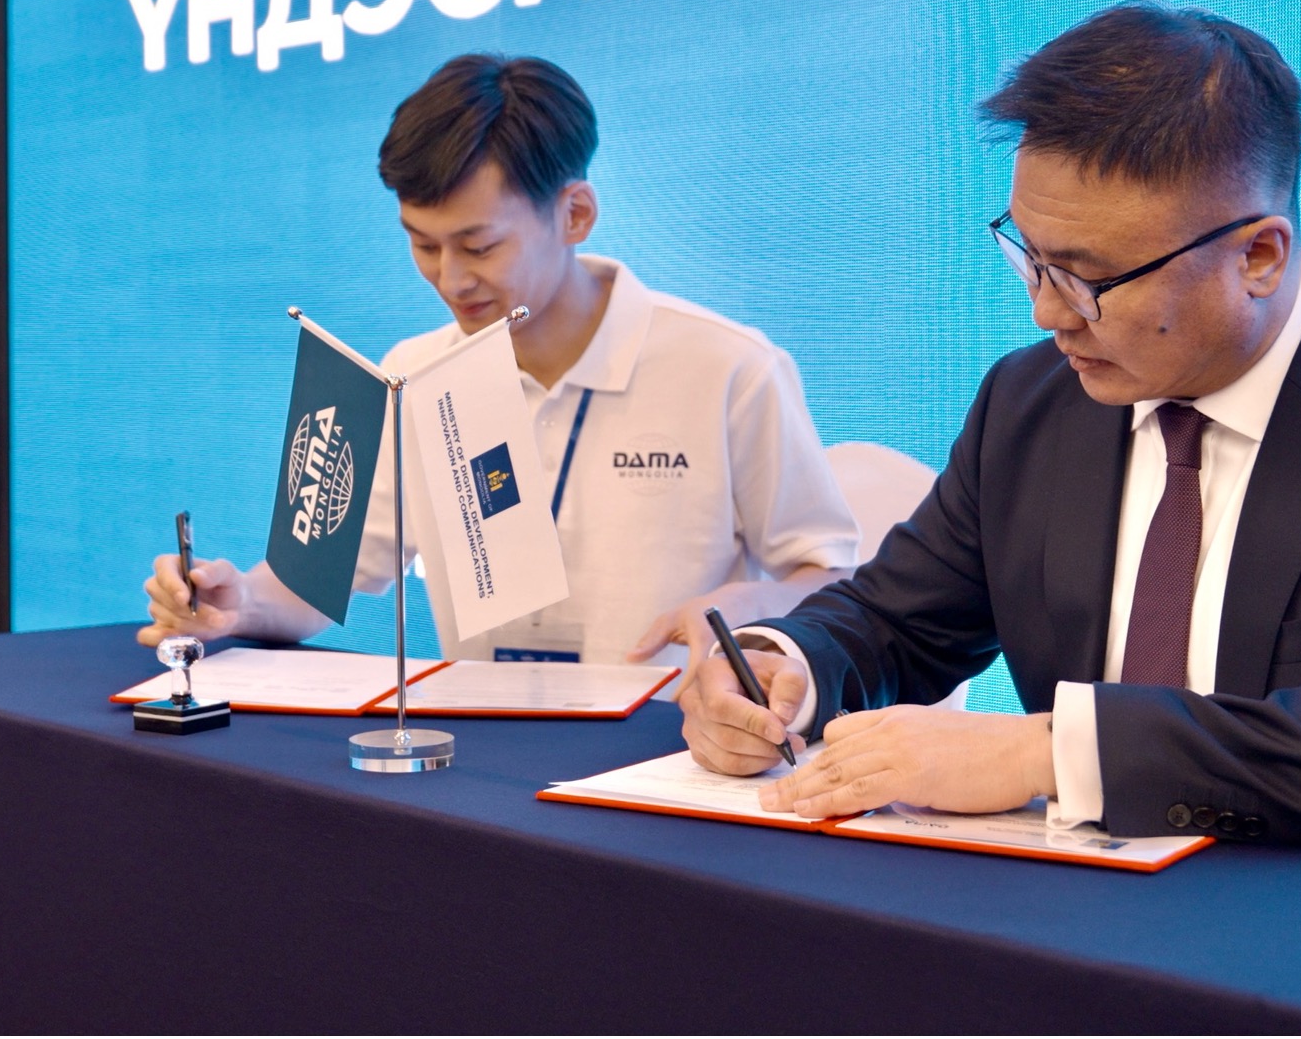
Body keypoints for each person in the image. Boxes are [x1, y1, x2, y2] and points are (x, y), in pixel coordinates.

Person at [679, 4, 1301, 849]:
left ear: (1258, 256)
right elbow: (896, 621)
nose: (1046, 313)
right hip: (1099, 908)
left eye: (1088, 278)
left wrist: (1050, 754)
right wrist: (782, 667)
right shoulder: (1032, 401)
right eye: (1029, 259)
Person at [138, 55, 859, 672]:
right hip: (476, 749)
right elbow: (318, 583)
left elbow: (831, 577)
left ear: (575, 214)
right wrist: (235, 603)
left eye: (479, 247)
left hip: (674, 748)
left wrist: (753, 602)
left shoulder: (728, 368)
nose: (450, 279)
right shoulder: (410, 373)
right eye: (423, 245)